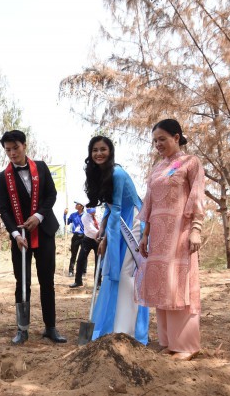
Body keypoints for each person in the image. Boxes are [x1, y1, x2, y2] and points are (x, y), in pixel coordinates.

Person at [136, 119, 205, 361]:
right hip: (157, 236)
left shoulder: (191, 162)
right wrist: (145, 235)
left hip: (180, 231)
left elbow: (196, 196)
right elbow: (149, 203)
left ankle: (186, 344)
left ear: (177, 137)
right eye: (155, 140)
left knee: (180, 284)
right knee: (163, 285)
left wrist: (196, 229)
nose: (158, 144)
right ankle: (169, 342)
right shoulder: (156, 169)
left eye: (162, 139)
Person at [0, 130, 66, 345]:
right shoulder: (2, 178)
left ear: (24, 145)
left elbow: (51, 195)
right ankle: (22, 329)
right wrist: (15, 234)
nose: (12, 153)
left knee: (47, 281)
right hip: (20, 238)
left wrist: (38, 216)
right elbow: (4, 210)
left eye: (15, 148)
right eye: (7, 150)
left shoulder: (41, 167)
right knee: (22, 282)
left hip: (43, 232)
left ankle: (50, 327)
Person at [86, 135, 149, 345]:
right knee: (115, 276)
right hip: (115, 223)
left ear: (110, 151)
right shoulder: (101, 174)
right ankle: (111, 326)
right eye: (95, 150)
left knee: (125, 275)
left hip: (131, 225)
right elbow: (110, 207)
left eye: (103, 149)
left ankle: (127, 331)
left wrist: (106, 240)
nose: (99, 153)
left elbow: (120, 209)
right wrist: (102, 230)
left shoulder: (118, 173)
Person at [69, 207, 100, 288]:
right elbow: (91, 229)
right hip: (88, 240)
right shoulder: (85, 217)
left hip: (99, 241)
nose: (93, 213)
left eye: (93, 211)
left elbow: (103, 225)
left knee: (98, 262)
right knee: (80, 260)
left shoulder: (100, 214)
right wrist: (101, 234)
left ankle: (98, 283)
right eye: (91, 211)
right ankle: (78, 281)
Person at [66, 201, 85, 277]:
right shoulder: (73, 215)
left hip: (84, 236)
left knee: (83, 255)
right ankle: (71, 271)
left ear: (81, 206)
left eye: (77, 204)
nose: (76, 205)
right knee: (73, 254)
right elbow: (66, 222)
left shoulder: (86, 215)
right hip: (76, 236)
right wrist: (65, 214)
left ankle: (83, 271)